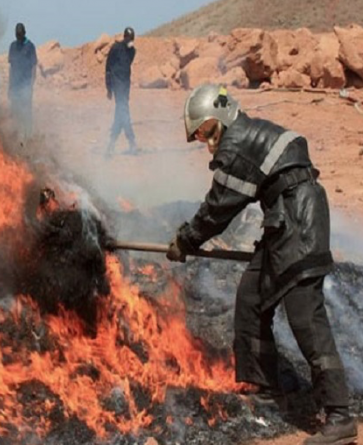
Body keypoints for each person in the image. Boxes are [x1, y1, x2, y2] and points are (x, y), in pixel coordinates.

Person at [167, 84, 356, 445]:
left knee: (306, 319)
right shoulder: (246, 134)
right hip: (283, 220)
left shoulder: (236, 144)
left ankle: (339, 415)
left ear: (219, 119)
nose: (204, 140)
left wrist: (185, 240)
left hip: (299, 222)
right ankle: (267, 387)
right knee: (252, 298)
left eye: (204, 131)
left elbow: (218, 208)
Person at [105, 27, 138, 156]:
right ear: (124, 37)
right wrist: (108, 87)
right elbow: (108, 68)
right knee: (124, 113)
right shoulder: (115, 48)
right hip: (117, 85)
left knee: (119, 115)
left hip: (125, 86)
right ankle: (132, 141)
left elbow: (127, 66)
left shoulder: (132, 51)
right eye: (129, 38)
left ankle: (111, 144)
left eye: (132, 39)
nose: (130, 41)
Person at [8, 23, 37, 139]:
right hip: (14, 85)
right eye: (17, 34)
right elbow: (11, 67)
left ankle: (28, 136)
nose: (18, 36)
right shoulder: (12, 46)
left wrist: (31, 84)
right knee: (15, 111)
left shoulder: (30, 46)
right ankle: (16, 136)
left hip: (26, 85)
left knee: (26, 112)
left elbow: (34, 66)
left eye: (20, 34)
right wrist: (9, 86)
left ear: (24, 33)